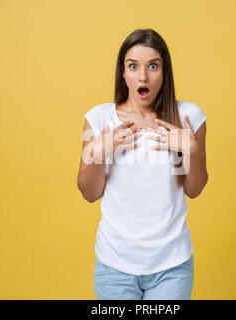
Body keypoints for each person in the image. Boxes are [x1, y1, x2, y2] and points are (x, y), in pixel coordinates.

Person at [77, 28, 208, 300]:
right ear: (123, 73)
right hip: (115, 266)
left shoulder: (188, 116)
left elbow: (194, 189)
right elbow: (89, 193)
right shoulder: (99, 118)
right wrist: (98, 151)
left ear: (165, 71)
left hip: (172, 265)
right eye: (133, 66)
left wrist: (191, 150)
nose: (143, 76)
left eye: (153, 66)